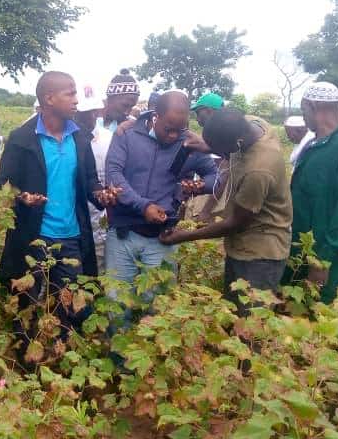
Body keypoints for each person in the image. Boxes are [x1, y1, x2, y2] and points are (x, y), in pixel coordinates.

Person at [0, 71, 118, 364]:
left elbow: (89, 182)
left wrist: (101, 195)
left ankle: (64, 361)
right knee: (29, 303)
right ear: (48, 99)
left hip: (71, 237)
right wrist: (22, 197)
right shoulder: (23, 139)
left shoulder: (79, 138)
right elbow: (3, 186)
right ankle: (28, 365)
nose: (77, 100)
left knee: (71, 304)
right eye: (70, 93)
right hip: (33, 238)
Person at [159, 110, 293, 308]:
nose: (219, 156)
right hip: (242, 247)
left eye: (221, 151)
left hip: (260, 256)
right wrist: (208, 146)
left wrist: (184, 235)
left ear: (237, 144)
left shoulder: (258, 169)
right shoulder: (253, 124)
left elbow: (235, 224)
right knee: (231, 312)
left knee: (250, 323)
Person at [105, 91, 217, 293]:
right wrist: (143, 205)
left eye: (179, 129)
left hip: (163, 236)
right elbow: (113, 174)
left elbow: (216, 176)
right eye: (168, 129)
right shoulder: (127, 135)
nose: (173, 136)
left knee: (157, 304)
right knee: (117, 301)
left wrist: (200, 186)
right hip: (123, 233)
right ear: (155, 115)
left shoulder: (189, 144)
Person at [281, 82, 338, 303]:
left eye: (304, 111)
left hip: (326, 259)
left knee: (318, 318)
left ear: (313, 106)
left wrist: (323, 262)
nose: (304, 117)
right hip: (301, 252)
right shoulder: (314, 144)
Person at [76, 84, 110, 271]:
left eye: (92, 112)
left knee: (98, 267)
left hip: (100, 217)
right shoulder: (67, 138)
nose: (88, 117)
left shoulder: (109, 138)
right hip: (72, 219)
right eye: (83, 112)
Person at [96, 69, 140, 135]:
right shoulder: (88, 117)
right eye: (125, 105)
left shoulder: (124, 122)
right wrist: (118, 132)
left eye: (132, 107)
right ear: (110, 98)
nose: (127, 112)